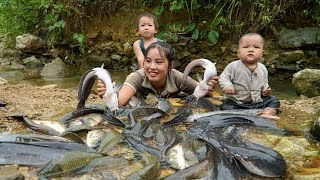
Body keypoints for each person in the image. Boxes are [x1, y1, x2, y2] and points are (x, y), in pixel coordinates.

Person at [97, 41, 219, 107]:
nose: (152, 67)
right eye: (148, 61)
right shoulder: (138, 76)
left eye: (159, 62)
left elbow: (213, 95)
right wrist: (107, 94)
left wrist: (207, 86)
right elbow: (119, 102)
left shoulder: (179, 77)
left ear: (170, 65)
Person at [219, 33, 280, 120]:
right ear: (238, 53)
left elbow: (264, 82)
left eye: (256, 47)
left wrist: (266, 89)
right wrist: (227, 86)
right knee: (225, 107)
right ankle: (244, 115)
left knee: (274, 101)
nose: (251, 50)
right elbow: (223, 77)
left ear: (262, 53)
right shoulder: (233, 66)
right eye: (246, 47)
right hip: (236, 102)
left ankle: (265, 113)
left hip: (256, 102)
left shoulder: (262, 68)